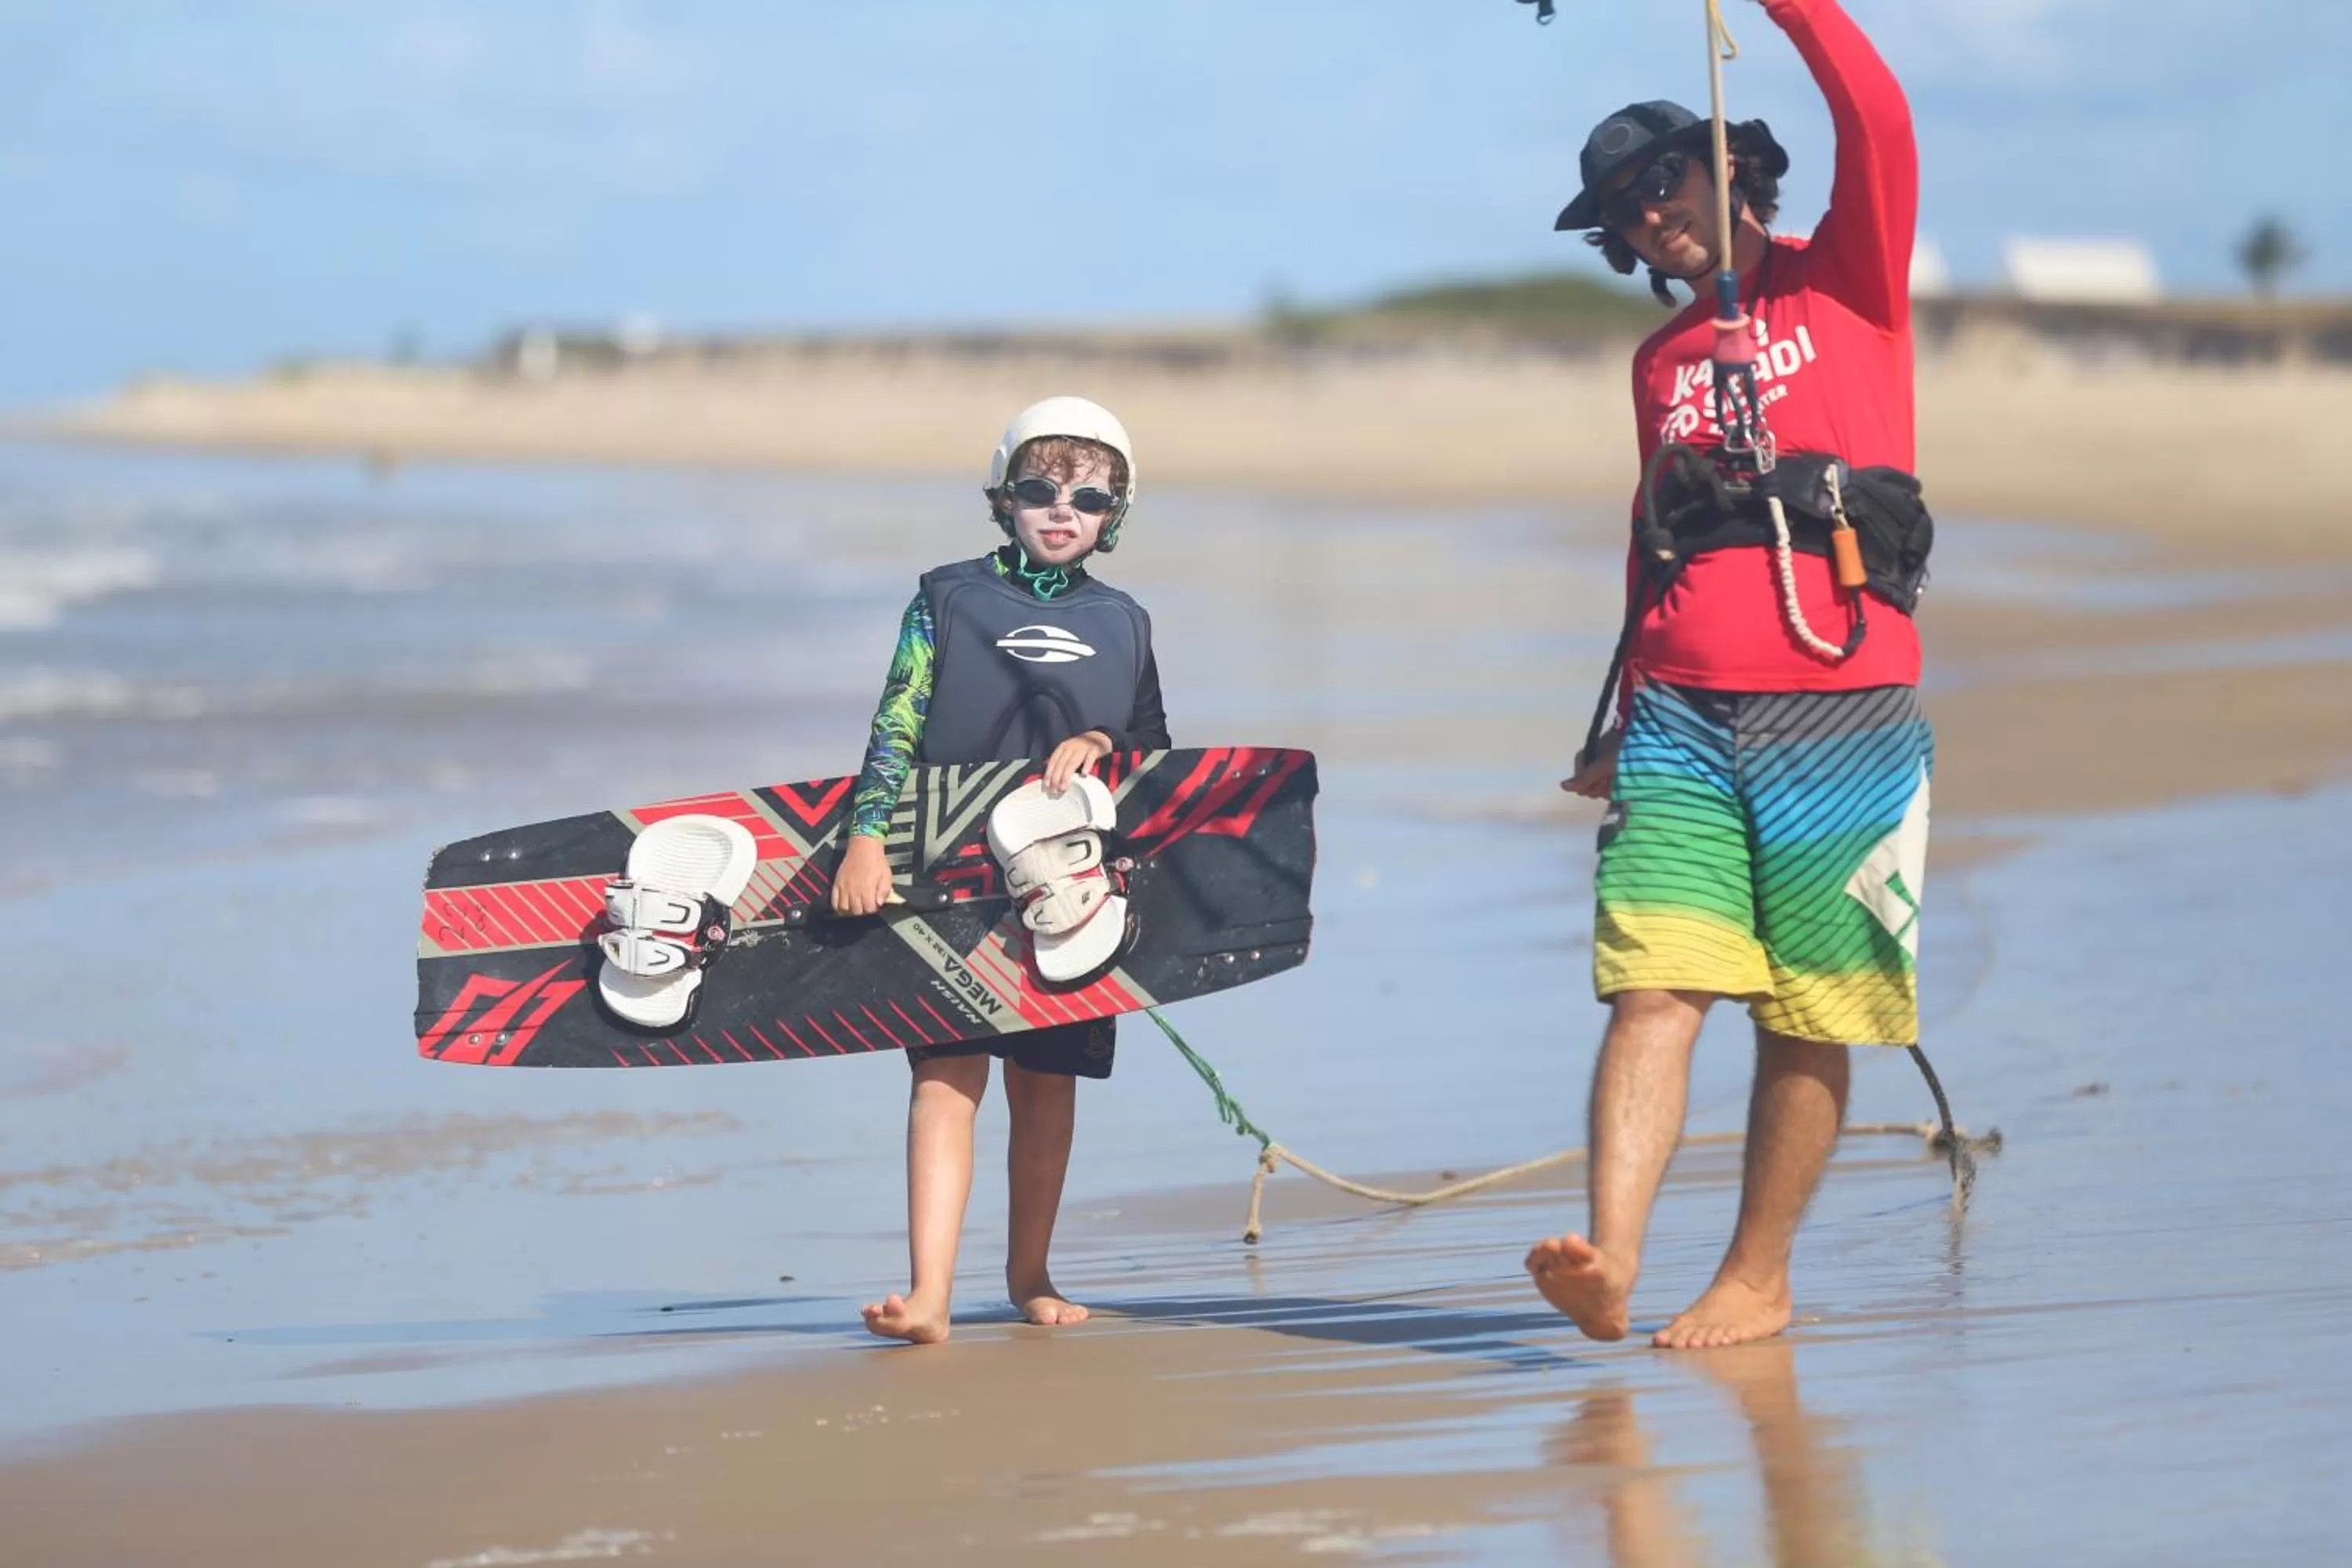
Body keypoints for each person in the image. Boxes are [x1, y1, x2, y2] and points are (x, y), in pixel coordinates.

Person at [1526, 0, 1937, 1350]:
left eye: (1664, 180)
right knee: (1655, 983)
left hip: (1844, 711)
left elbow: (1876, 116)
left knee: (1807, 1005)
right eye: (1623, 211)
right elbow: (1652, 544)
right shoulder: (1661, 363)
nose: (1650, 216)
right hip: (1683, 716)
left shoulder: (1851, 281)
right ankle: (1613, 1261)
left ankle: (1757, 1276)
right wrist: (1619, 713)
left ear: (1729, 166)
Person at [835, 396, 1171, 1345]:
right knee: (946, 1073)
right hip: (947, 863)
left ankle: (1031, 1272)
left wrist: (1105, 737)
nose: (1063, 510)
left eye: (1091, 498)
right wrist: (867, 839)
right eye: (1039, 489)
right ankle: (929, 1293)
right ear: (1004, 499)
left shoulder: (1127, 619)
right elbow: (897, 719)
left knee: (1046, 1079)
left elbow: (1153, 747)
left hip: (1071, 878)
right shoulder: (948, 596)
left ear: (1118, 514)